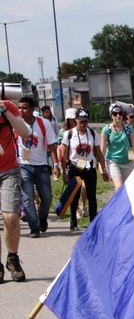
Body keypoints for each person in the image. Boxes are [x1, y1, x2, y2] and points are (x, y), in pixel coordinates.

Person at [59, 108, 109, 231]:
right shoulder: (69, 134)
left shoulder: (92, 133)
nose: (83, 124)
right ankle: (73, 221)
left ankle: (93, 222)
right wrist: (64, 171)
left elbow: (98, 152)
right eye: (80, 121)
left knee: (91, 195)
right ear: (76, 120)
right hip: (75, 168)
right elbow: (64, 155)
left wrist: (103, 168)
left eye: (85, 121)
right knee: (74, 195)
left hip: (89, 167)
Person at [16, 96, 57, 238]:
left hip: (41, 165)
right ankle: (34, 227)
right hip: (23, 165)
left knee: (47, 197)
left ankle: (42, 217)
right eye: (19, 107)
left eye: (24, 108)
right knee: (27, 198)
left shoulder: (43, 123)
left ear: (33, 109)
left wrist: (56, 164)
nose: (21, 110)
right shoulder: (16, 123)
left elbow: (51, 145)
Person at [0, 98, 31, 282]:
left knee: (11, 217)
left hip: (9, 170)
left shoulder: (8, 106)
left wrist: (5, 111)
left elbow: (24, 131)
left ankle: (12, 258)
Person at [100, 103, 134, 191]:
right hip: (113, 161)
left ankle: (126, 205)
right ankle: (119, 204)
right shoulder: (107, 130)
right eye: (115, 114)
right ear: (111, 116)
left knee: (129, 189)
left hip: (128, 161)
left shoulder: (129, 128)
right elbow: (102, 150)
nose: (118, 116)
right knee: (119, 187)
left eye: (120, 114)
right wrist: (100, 165)